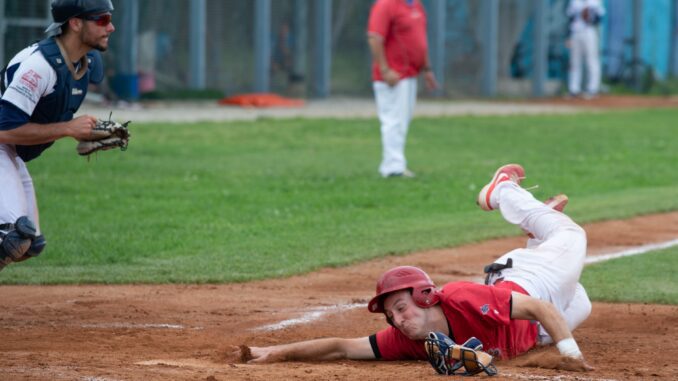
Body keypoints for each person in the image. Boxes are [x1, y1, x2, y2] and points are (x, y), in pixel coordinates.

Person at [243, 164, 594, 371]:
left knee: (572, 235)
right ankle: (538, 233)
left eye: (400, 308)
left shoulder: (458, 296)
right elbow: (342, 347)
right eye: (391, 316)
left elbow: (540, 307)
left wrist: (570, 354)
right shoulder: (410, 340)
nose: (398, 320)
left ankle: (504, 193)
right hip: (532, 330)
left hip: (531, 283)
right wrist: (274, 352)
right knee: (581, 301)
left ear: (425, 297)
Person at [0, 0, 116, 271]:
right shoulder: (39, 67)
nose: (110, 27)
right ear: (75, 23)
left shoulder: (84, 63)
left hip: (9, 151)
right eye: (101, 19)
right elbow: (4, 130)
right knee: (14, 237)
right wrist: (67, 129)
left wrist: (82, 133)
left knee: (31, 244)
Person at [367, 0, 438, 178]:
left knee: (402, 121)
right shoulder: (386, 4)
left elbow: (420, 39)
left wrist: (427, 69)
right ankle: (393, 167)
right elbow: (375, 37)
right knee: (393, 121)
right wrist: (385, 70)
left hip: (410, 73)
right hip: (393, 76)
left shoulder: (415, 5)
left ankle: (394, 164)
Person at [566, 0, 605, 99]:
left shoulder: (595, 1)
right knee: (574, 62)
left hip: (589, 31)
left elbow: (600, 17)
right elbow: (570, 17)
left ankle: (593, 89)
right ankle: (574, 89)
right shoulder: (574, 1)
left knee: (592, 60)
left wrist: (590, 17)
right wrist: (568, 36)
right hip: (576, 31)